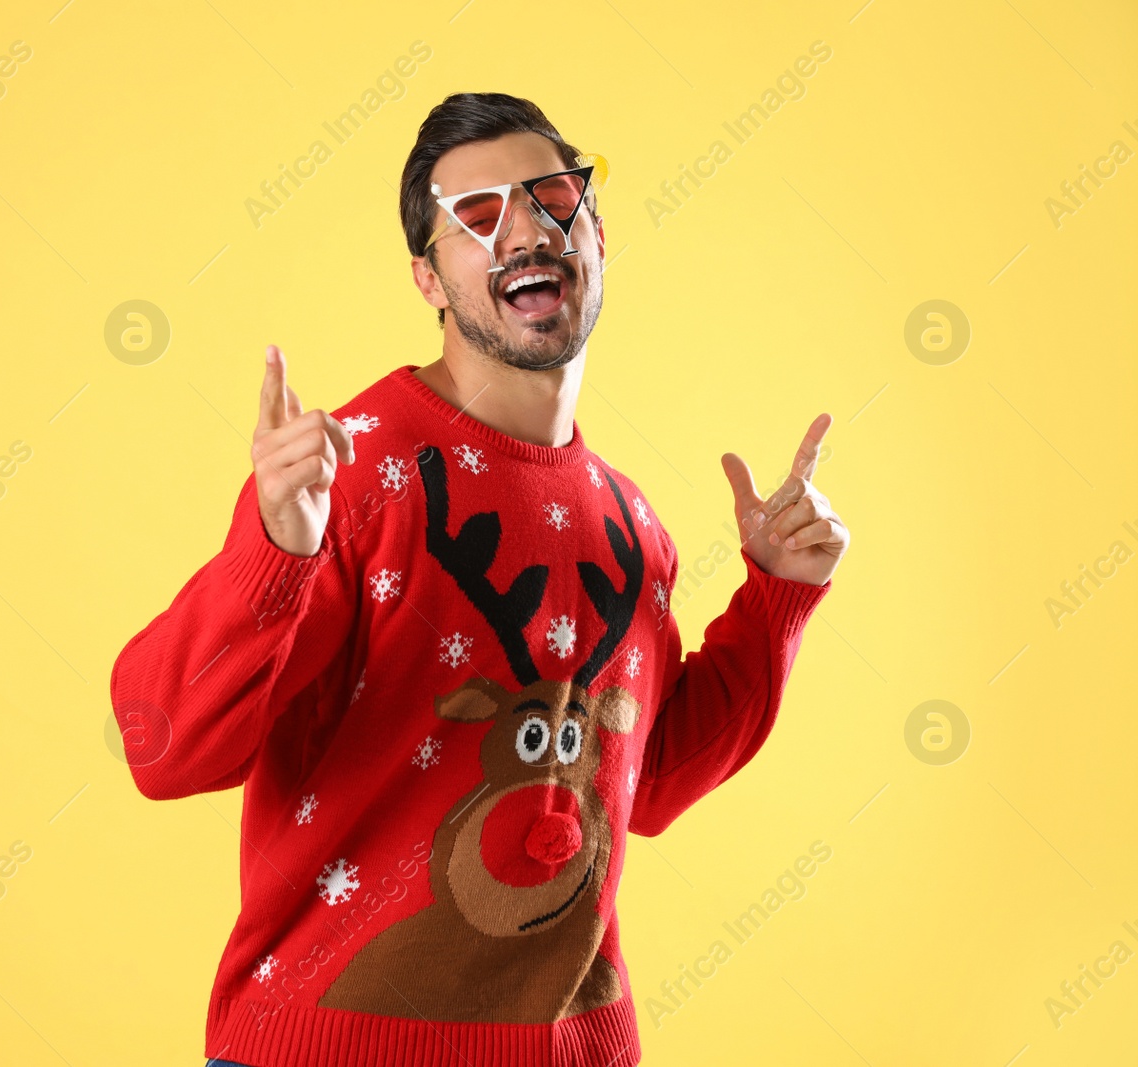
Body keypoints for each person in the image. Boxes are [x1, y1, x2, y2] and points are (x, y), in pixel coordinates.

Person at [110, 92, 850, 1067]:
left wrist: (775, 597)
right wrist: (278, 548)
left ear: (594, 229)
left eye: (551, 197)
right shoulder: (354, 477)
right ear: (429, 277)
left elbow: (650, 777)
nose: (526, 231)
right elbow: (164, 749)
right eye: (478, 216)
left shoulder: (631, 527)